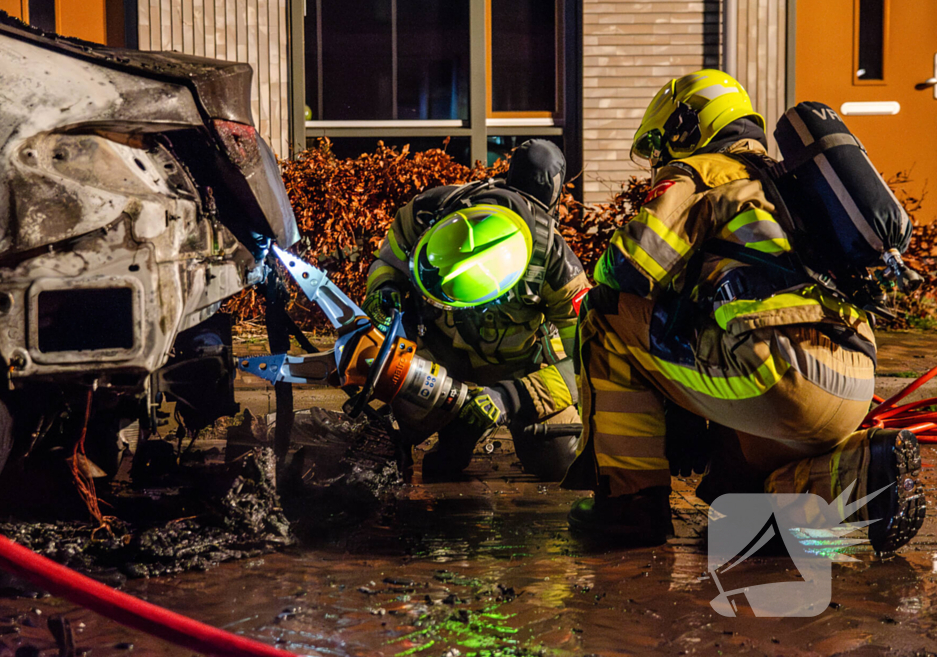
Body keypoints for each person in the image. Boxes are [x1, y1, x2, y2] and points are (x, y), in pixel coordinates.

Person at [563, 69, 925, 552]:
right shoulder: (790, 185)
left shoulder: (703, 172)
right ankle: (868, 471)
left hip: (775, 377)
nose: (658, 157)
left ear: (684, 126)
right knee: (734, 517)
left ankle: (630, 506)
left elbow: (627, 268)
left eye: (659, 142)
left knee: (603, 313)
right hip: (851, 384)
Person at [363, 140, 591, 480]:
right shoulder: (429, 213)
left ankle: (469, 425)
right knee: (401, 409)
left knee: (557, 458)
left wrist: (509, 398)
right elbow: (388, 261)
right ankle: (442, 427)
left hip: (516, 369)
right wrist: (385, 290)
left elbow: (585, 363)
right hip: (442, 356)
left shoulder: (555, 262)